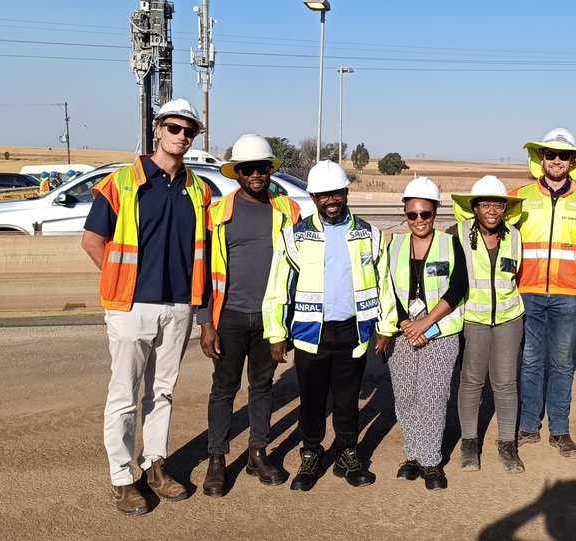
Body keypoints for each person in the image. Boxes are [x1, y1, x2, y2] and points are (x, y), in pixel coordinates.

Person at [80, 97, 211, 515]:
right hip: (131, 306)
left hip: (178, 307)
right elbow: (92, 241)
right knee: (123, 395)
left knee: (162, 393)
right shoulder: (122, 182)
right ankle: (122, 478)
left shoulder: (199, 190)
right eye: (175, 128)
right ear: (157, 130)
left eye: (189, 130)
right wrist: (120, 285)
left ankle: (156, 465)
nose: (182, 136)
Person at [264, 160, 383, 491]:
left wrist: (385, 327)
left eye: (337, 194)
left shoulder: (369, 234)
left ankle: (347, 454)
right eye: (323, 196)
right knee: (312, 399)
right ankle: (311, 454)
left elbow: (383, 282)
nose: (332, 201)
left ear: (346, 193)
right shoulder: (295, 236)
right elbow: (278, 285)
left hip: (352, 330)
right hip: (309, 331)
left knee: (347, 400)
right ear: (313, 198)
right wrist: (276, 332)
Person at [198, 134, 301, 495]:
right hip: (228, 317)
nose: (256, 174)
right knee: (223, 389)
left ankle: (258, 453)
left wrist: (288, 322)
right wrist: (206, 322)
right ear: (237, 173)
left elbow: (299, 267)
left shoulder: (288, 211)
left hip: (270, 319)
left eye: (262, 168)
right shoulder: (218, 214)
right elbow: (203, 271)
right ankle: (217, 461)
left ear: (270, 170)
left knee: (262, 387)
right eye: (248, 169)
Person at [510, 128, 576, 458]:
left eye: (563, 155)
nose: (556, 160)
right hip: (528, 291)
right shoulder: (518, 196)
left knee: (563, 363)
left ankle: (560, 431)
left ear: (573, 160)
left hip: (568, 295)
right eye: (549, 154)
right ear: (540, 158)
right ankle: (527, 426)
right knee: (531, 360)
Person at [374, 177, 467, 490]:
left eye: (424, 214)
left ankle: (431, 461)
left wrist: (426, 324)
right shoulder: (395, 245)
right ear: (405, 213)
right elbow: (386, 287)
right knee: (406, 396)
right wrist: (405, 324)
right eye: (412, 214)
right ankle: (413, 454)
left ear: (435, 213)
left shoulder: (450, 243)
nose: (418, 221)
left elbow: (458, 288)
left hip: (439, 332)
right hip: (403, 334)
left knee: (433, 396)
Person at [449, 175, 527, 474]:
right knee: (471, 382)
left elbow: (516, 276)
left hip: (508, 318)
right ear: (475, 207)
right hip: (472, 320)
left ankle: (508, 446)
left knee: (506, 383)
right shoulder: (456, 234)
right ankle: (470, 444)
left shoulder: (514, 236)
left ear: (505, 208)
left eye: (498, 204)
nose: (492, 210)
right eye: (485, 204)